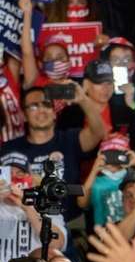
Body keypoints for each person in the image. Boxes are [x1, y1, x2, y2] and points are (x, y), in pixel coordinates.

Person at [1, 84, 106, 222]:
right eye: (33, 106)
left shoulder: (70, 139)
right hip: (24, 226)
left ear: (54, 112)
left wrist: (83, 100)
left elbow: (98, 132)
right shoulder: (9, 150)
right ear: (24, 116)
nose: (41, 110)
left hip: (70, 223)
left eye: (46, 104)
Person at [0, 153, 67, 262]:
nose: (13, 179)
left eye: (20, 173)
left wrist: (28, 208)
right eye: (8, 174)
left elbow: (57, 244)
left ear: (31, 179)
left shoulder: (45, 204)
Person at [77, 134, 135, 227]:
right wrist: (94, 171)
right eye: (109, 155)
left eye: (117, 155)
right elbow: (82, 203)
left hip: (131, 228)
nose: (113, 160)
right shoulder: (95, 182)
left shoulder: (134, 178)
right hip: (104, 232)